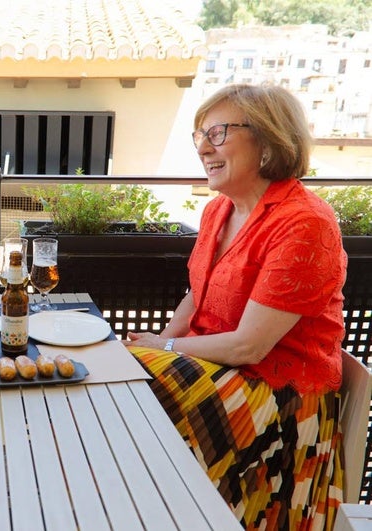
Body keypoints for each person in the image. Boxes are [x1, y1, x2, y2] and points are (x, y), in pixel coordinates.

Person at [123, 84, 346, 530]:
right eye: (200, 135)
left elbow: (249, 347)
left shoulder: (304, 222)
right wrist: (160, 342)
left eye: (219, 133)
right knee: (121, 375)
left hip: (277, 400)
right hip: (218, 374)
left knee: (133, 392)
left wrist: (164, 348)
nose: (204, 147)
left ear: (267, 141)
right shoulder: (218, 211)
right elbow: (195, 297)